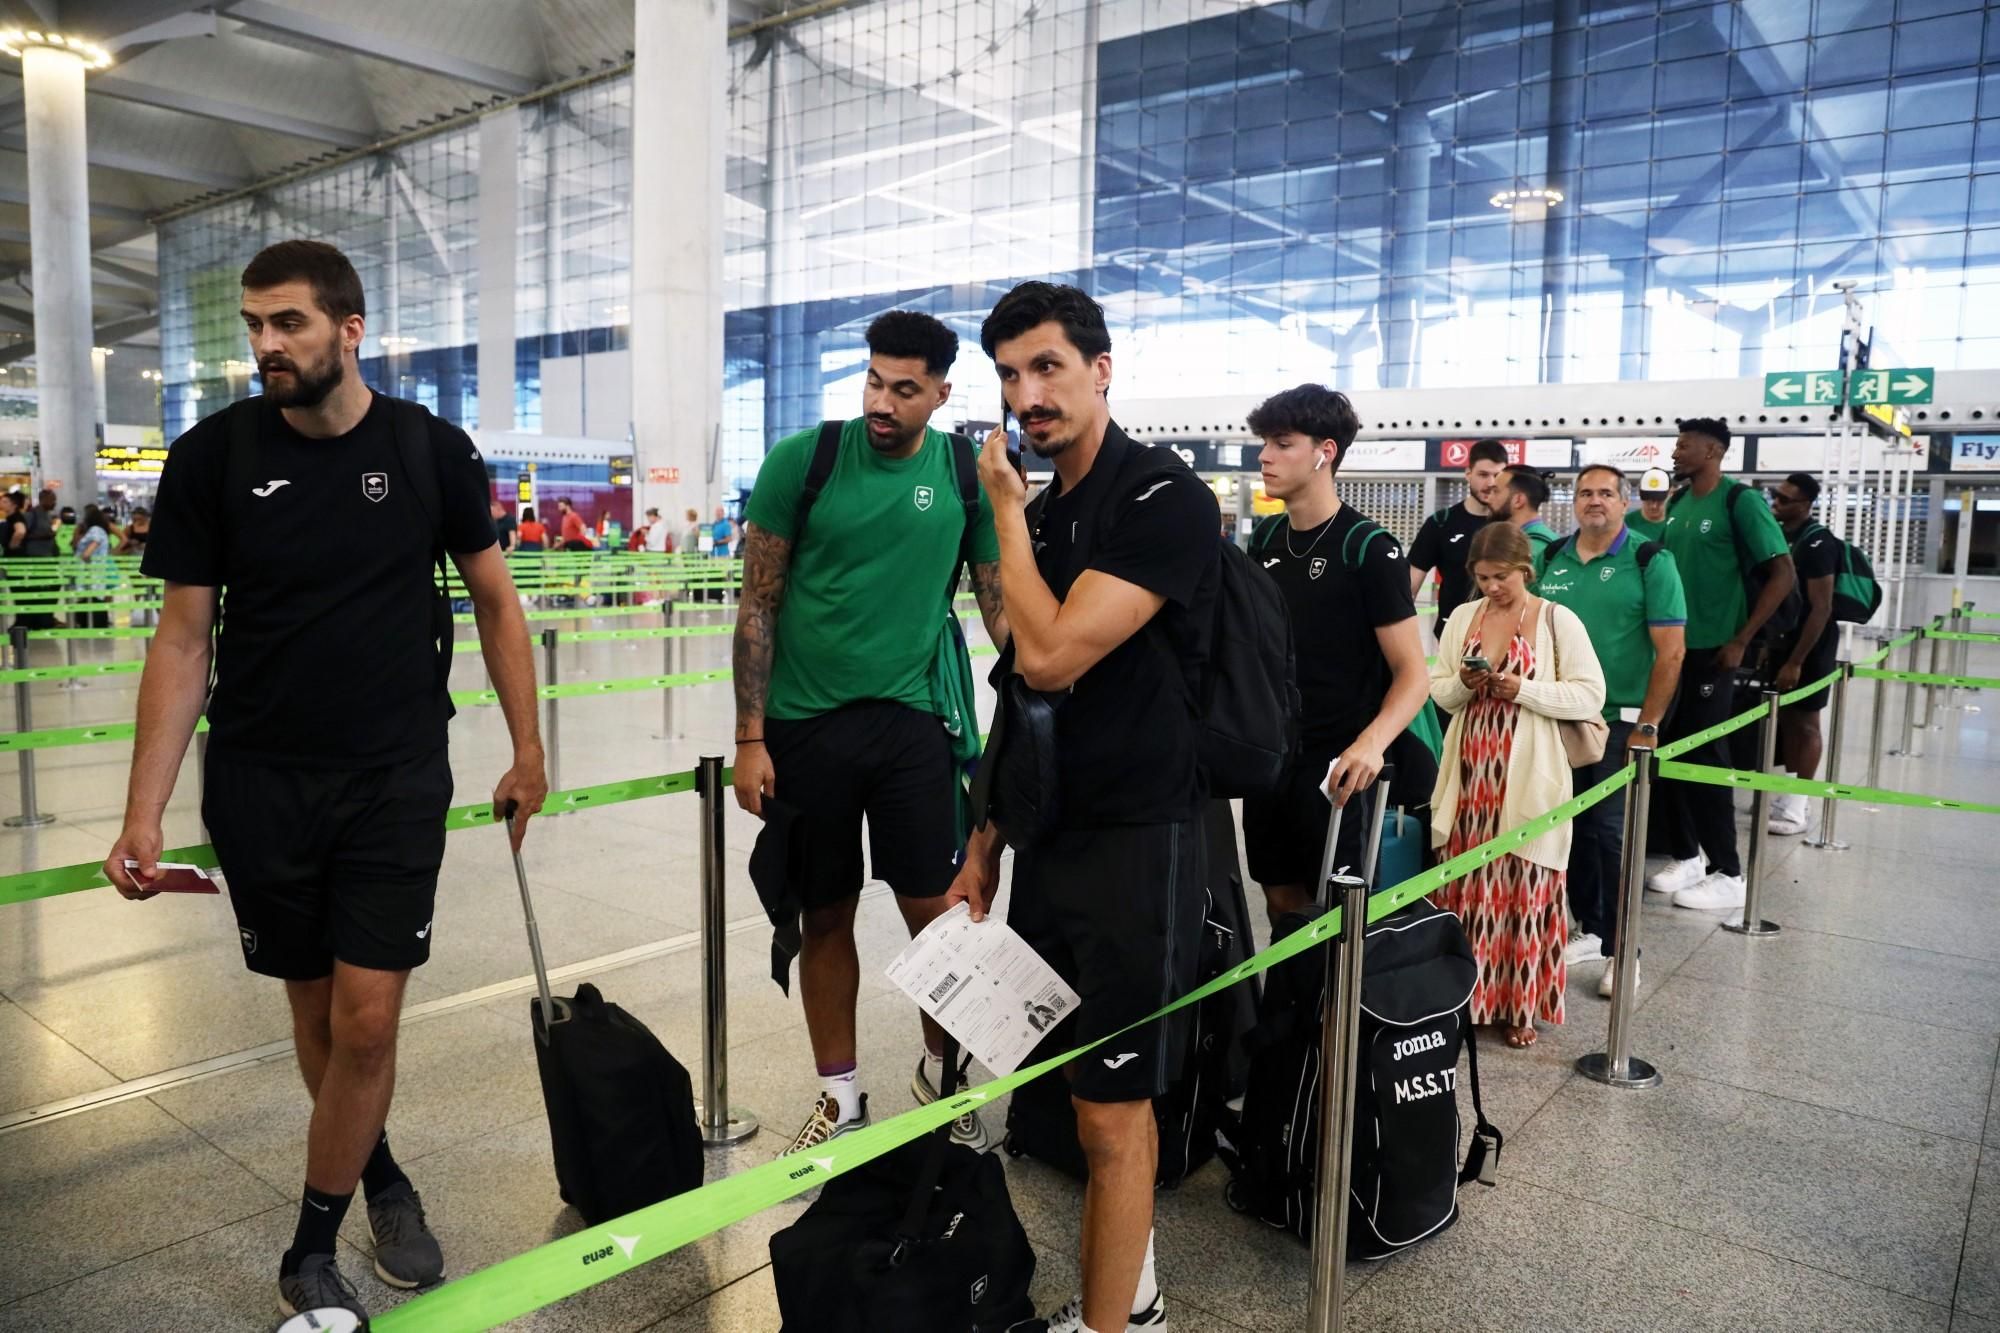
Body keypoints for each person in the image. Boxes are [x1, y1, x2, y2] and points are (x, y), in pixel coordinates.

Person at [102, 239, 548, 1325]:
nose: (265, 345)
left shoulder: (431, 450)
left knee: (369, 1019)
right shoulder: (211, 457)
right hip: (259, 780)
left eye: (287, 323)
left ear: (350, 329)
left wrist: (529, 749)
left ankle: (309, 1246)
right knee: (317, 1009)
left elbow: (495, 600)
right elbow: (182, 638)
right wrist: (142, 809)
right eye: (254, 325)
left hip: (393, 776)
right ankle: (378, 1175)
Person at [947, 281, 1219, 1333]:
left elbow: (1054, 655)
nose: (1027, 394)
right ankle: (1133, 1285)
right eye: (1010, 375)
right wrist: (984, 838)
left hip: (1137, 843)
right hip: (1050, 839)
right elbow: (1017, 687)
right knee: (1071, 1096)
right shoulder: (1052, 508)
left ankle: (1119, 1325)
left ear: (1101, 368)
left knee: (1111, 1115)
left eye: (1047, 366)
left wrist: (1004, 514)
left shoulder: (1161, 498)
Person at [732, 310, 1009, 1157]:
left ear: (941, 393)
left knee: (940, 915)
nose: (882, 401)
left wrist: (1052, 683)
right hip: (806, 727)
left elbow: (1000, 604)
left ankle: (942, 1076)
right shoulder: (804, 460)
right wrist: (750, 736)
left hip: (914, 723)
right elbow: (758, 603)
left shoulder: (964, 476)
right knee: (825, 914)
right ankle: (839, 1095)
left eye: (905, 388)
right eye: (874, 381)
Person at [1241, 383, 1431, 925]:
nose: (1265, 455)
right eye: (1265, 443)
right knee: (1279, 901)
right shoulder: (1268, 538)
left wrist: (1370, 746)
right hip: (1273, 757)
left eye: (1282, 443)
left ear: (1325, 451)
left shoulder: (1369, 547)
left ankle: (1335, 1012)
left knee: (1335, 917)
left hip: (1337, 765)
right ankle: (1290, 1011)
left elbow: (1412, 674)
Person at [1428, 522, 1605, 1048]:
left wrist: (1521, 689)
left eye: (1500, 577)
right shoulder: (1464, 617)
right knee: (1465, 890)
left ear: (1525, 569)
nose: (1491, 587)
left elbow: (1589, 694)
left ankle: (1521, 1005)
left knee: (1525, 890)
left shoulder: (1556, 620)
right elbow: (1439, 691)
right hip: (1469, 776)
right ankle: (1464, 999)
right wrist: (1465, 682)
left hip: (1531, 776)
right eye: (1482, 578)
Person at [1535, 465, 1686, 998]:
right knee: (1566, 828)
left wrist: (1648, 723)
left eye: (1605, 493)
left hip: (1618, 721)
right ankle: (1593, 928)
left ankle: (1626, 951)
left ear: (1625, 503)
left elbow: (1671, 652)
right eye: (1584, 493)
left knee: (1609, 833)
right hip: (1554, 715)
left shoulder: (1650, 560)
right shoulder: (1550, 557)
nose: (1594, 501)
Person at [1646, 417, 1795, 913]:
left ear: (1713, 451)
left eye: (1684, 444)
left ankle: (1729, 872)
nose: (1675, 451)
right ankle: (1688, 854)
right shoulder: (1681, 504)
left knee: (1707, 758)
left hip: (1716, 651)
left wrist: (1741, 639)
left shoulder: (1740, 501)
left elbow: (1782, 573)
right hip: (1674, 652)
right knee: (1665, 750)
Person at [1766, 473, 1840, 837]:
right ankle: (1788, 794)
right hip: (1783, 642)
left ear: (1806, 504)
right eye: (1775, 496)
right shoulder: (1783, 537)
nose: (1776, 503)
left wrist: (1796, 660)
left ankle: (1799, 805)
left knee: (1807, 722)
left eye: (1784, 499)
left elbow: (1821, 608)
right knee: (1789, 722)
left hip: (1811, 646)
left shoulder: (1818, 543)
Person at [1408, 439, 1507, 632]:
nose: (1490, 483)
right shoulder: (1441, 523)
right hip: (1452, 633)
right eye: (1483, 475)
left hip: (1503, 634)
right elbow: (1409, 585)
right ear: (1468, 474)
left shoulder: (1511, 525)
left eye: (1497, 475)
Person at [1500, 464, 1562, 573]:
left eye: (1496, 492)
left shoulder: (1528, 548)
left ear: (1518, 500)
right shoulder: (1548, 539)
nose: (1489, 498)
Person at [73, 503, 112, 628]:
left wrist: (85, 556)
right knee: (93, 597)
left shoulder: (95, 530)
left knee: (91, 597)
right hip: (95, 571)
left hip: (91, 571)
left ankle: (89, 623)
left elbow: (92, 546)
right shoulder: (100, 530)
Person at [1627, 467, 1672, 539]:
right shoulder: (1624, 525)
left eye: (1659, 500)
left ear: (1670, 493)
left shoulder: (1677, 524)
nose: (1653, 506)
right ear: (1639, 492)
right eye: (1648, 499)